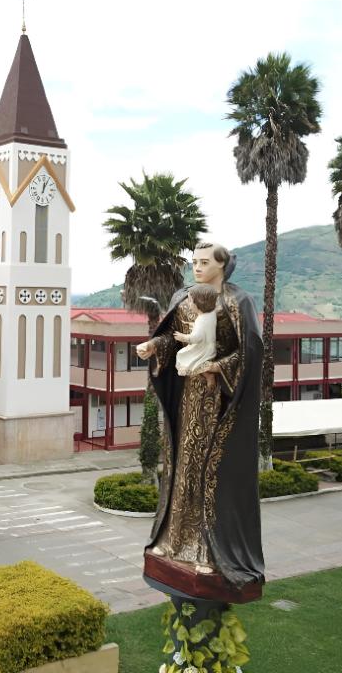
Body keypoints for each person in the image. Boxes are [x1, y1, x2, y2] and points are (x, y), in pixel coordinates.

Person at [135, 241, 264, 601]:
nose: (197, 267)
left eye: (204, 262)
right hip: (188, 400)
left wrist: (218, 367)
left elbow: (250, 350)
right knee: (182, 469)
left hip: (219, 406)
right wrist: (155, 346)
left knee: (210, 474)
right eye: (194, 261)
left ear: (222, 265)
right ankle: (173, 541)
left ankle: (209, 552)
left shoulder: (238, 303)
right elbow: (170, 337)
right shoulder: (184, 297)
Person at [174, 284, 218, 377]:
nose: (188, 304)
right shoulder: (211, 314)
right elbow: (206, 329)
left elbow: (196, 338)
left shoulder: (201, 320)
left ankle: (208, 376)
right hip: (210, 346)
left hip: (203, 349)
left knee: (182, 355)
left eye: (190, 301)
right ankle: (207, 374)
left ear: (199, 302)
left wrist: (183, 337)